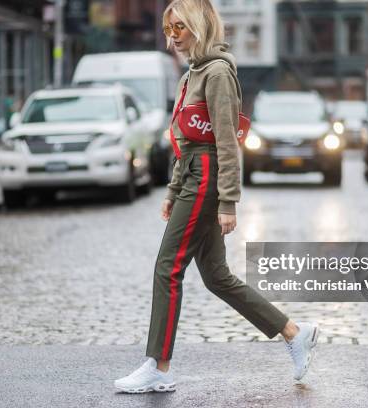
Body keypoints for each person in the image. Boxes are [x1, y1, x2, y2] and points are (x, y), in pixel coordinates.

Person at [114, 0, 319, 393]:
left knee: (167, 266)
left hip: (207, 180)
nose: (172, 36)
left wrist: (228, 201)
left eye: (180, 28)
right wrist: (173, 191)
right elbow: (186, 142)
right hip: (192, 176)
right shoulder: (191, 74)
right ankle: (294, 332)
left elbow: (226, 143)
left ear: (199, 27)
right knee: (216, 276)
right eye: (168, 29)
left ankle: (157, 365)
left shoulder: (218, 73)